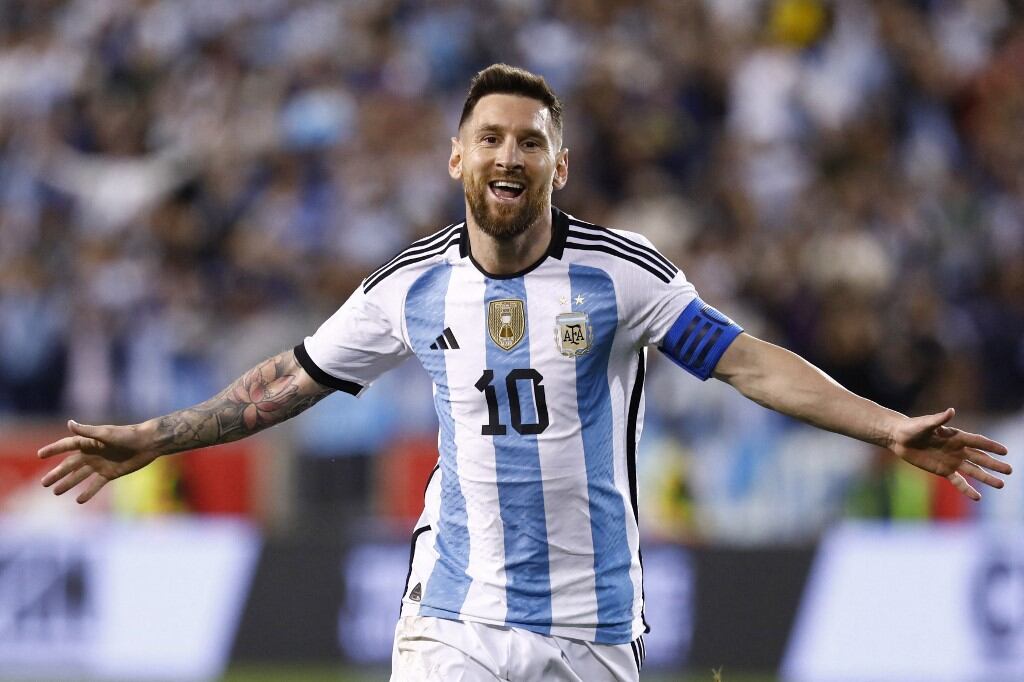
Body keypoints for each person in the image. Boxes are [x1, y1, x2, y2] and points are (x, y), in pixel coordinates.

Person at [38, 64, 1011, 681]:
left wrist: (886, 424)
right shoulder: (410, 287)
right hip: (454, 614)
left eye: (532, 141)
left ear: (560, 165)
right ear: (456, 158)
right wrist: (151, 437)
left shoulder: (622, 276)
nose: (511, 155)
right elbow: (285, 382)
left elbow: (747, 363)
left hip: (591, 621)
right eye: (492, 138)